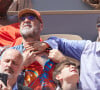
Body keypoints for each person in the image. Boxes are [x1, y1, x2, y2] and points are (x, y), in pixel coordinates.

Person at [10, 8, 66, 90]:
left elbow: (73, 78)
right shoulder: (10, 54)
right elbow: (2, 81)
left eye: (31, 17)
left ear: (41, 26)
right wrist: (21, 65)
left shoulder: (54, 51)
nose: (26, 20)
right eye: (22, 19)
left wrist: (63, 61)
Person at [30, 36, 100, 90]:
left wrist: (63, 61)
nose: (73, 67)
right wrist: (45, 44)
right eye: (68, 66)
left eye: (73, 66)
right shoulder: (88, 48)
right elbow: (58, 41)